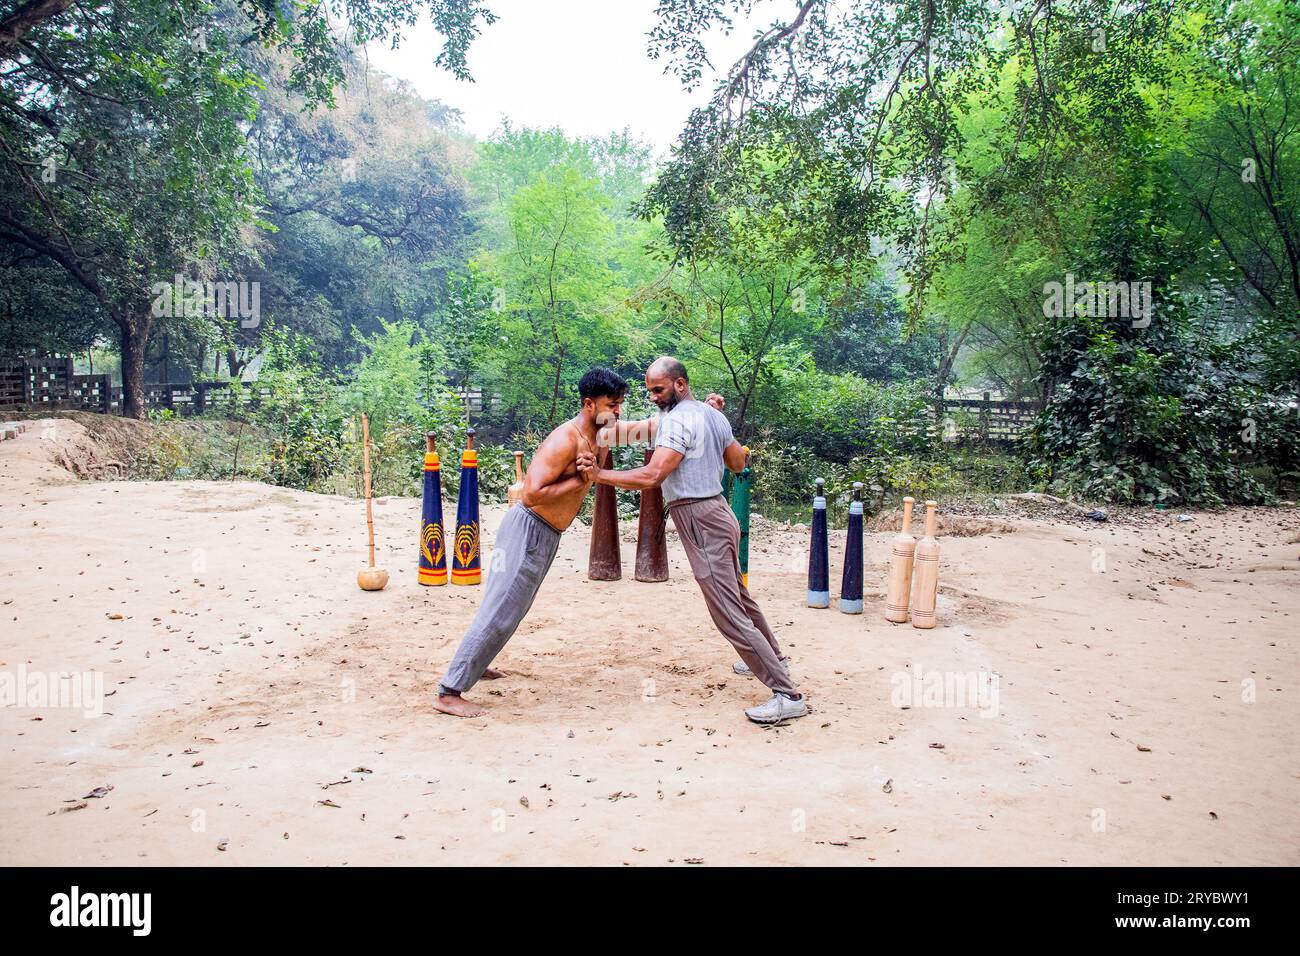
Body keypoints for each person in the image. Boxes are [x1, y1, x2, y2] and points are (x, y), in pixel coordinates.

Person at [578, 356, 807, 724]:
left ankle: (787, 693)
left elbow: (653, 475)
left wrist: (600, 475)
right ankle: (773, 658)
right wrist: (597, 423)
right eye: (648, 390)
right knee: (738, 596)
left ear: (680, 384)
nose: (651, 396)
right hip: (717, 513)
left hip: (701, 519)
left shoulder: (679, 421)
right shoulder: (707, 415)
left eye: (658, 389)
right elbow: (736, 463)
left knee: (727, 613)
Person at [433, 368, 627, 718]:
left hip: (545, 534)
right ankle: (449, 691)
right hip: (528, 529)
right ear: (588, 404)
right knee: (502, 609)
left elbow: (632, 436)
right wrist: (582, 479)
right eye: (612, 405)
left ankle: (477, 664)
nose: (617, 412)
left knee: (507, 607)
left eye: (620, 405)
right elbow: (533, 494)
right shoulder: (565, 440)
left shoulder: (597, 435)